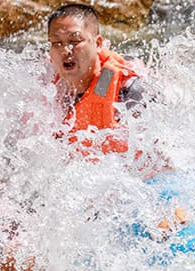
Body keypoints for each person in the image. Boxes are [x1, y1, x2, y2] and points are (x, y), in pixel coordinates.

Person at [47, 3, 152, 163]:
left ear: (98, 44)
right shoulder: (47, 88)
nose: (65, 50)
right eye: (56, 43)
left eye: (75, 41)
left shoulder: (129, 90)